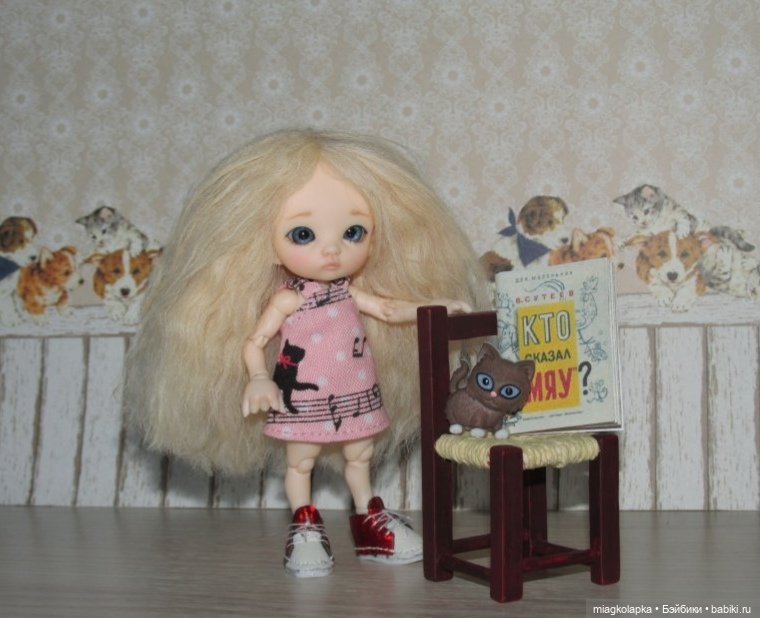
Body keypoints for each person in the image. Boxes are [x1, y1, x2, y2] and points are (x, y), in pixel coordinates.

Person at [125, 129, 489, 577]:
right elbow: (255, 342)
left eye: (353, 232)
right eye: (303, 234)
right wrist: (259, 378)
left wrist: (435, 306)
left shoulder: (348, 292)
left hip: (356, 391)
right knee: (301, 461)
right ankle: (305, 525)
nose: (331, 249)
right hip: (305, 397)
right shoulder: (288, 299)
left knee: (360, 456)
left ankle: (369, 519)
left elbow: (388, 309)